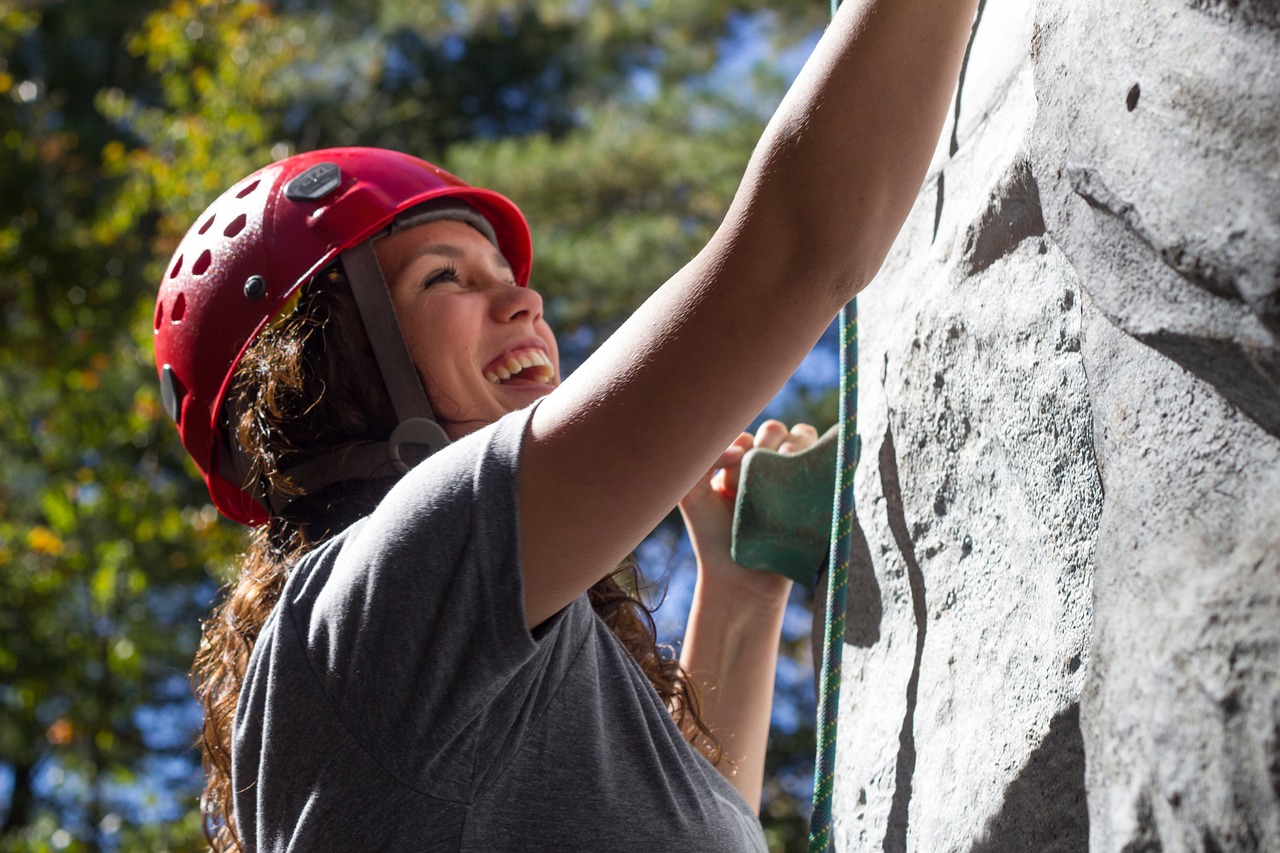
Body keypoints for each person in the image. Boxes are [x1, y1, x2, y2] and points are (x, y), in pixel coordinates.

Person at [154, 0, 978, 849]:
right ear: (329, 367)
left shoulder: (429, 666)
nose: (525, 299)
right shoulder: (372, 604)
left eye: (505, 272)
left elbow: (658, 816)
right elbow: (792, 252)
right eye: (446, 278)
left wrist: (735, 593)